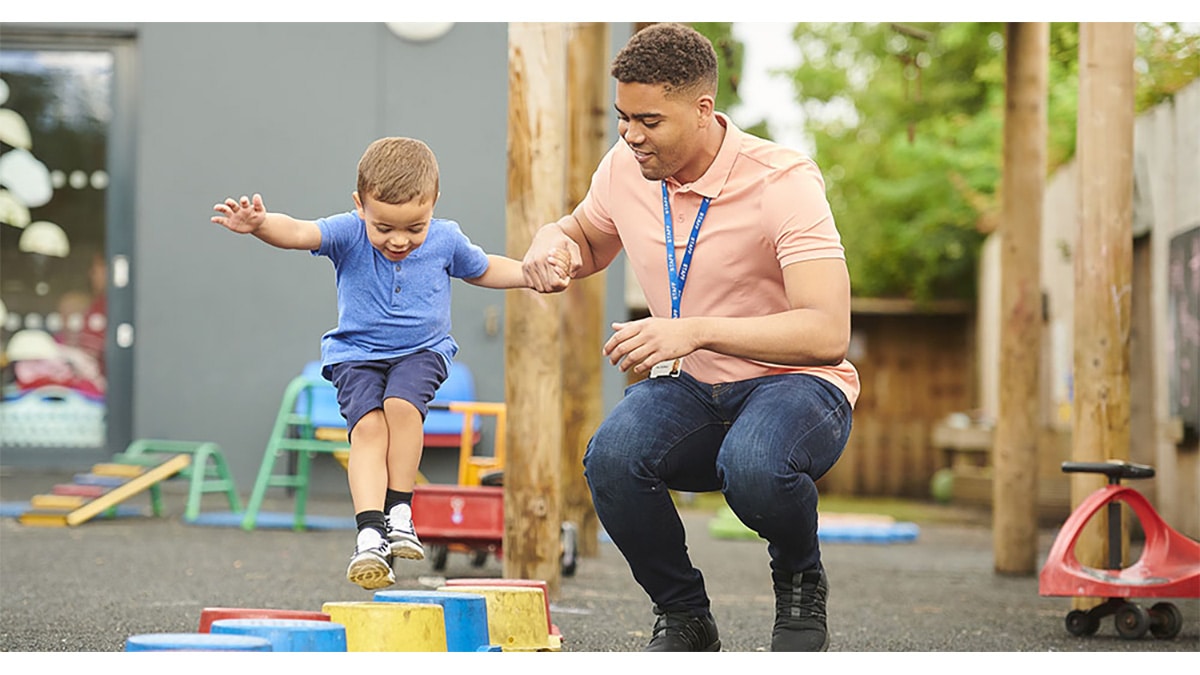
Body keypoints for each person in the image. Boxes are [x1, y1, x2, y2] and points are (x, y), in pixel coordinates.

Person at [521, 23, 859, 652]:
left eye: (648, 120)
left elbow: (827, 332)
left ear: (703, 109)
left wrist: (693, 331)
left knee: (754, 464)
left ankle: (800, 577)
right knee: (612, 459)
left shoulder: (782, 180)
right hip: (694, 389)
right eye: (623, 117)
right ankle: (684, 615)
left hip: (798, 387)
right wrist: (553, 240)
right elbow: (587, 237)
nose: (630, 135)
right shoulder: (626, 168)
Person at [212, 137, 570, 590]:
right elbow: (300, 232)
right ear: (360, 205)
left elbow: (483, 270)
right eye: (384, 228)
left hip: (422, 350)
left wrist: (530, 276)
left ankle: (400, 510)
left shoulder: (445, 238)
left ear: (433, 205)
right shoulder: (347, 231)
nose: (399, 240)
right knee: (368, 430)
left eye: (413, 228)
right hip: (355, 355)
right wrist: (261, 224)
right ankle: (368, 532)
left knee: (402, 407)